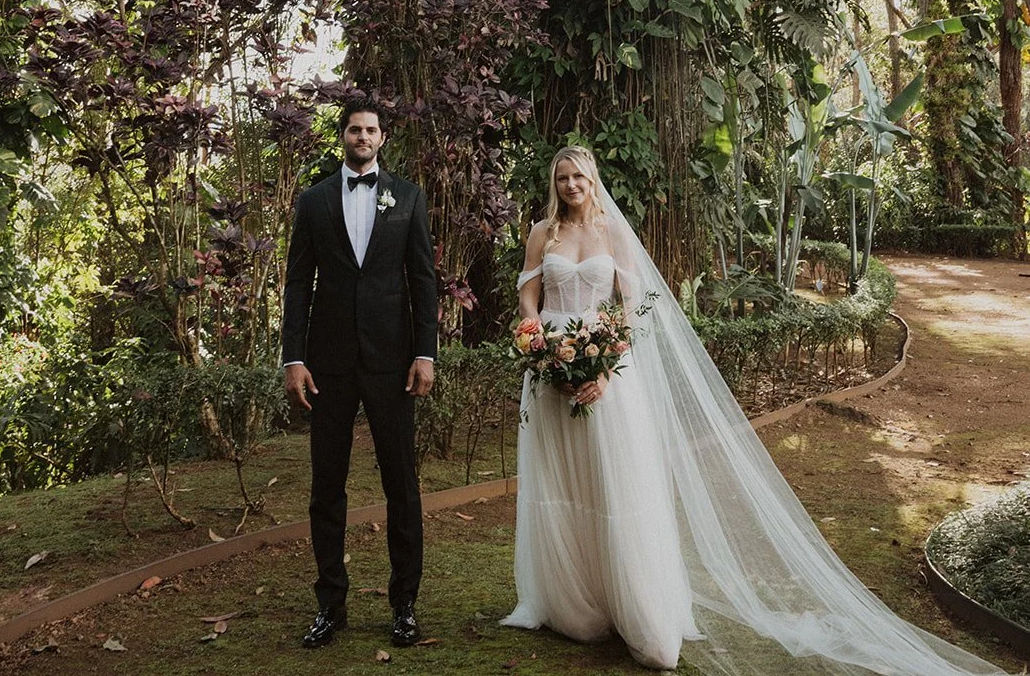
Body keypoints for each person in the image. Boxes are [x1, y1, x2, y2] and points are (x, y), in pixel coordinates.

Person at [503, 145, 1009, 676]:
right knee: (561, 481)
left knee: (614, 483)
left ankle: (633, 607)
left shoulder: (614, 233)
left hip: (606, 370)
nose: (570, 185)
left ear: (593, 178)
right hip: (551, 369)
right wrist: (539, 345)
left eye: (578, 176)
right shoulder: (542, 233)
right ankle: (573, 605)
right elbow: (528, 297)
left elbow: (629, 307)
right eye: (562, 177)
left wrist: (605, 368)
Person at [282, 104, 438, 651]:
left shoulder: (408, 197)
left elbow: (423, 280)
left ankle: (405, 605)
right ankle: (330, 605)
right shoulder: (314, 200)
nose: (363, 136)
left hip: (393, 363)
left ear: (382, 138)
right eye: (355, 129)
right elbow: (298, 282)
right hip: (327, 366)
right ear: (343, 136)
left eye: (371, 130)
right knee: (327, 486)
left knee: (402, 486)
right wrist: (293, 358)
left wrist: (425, 354)